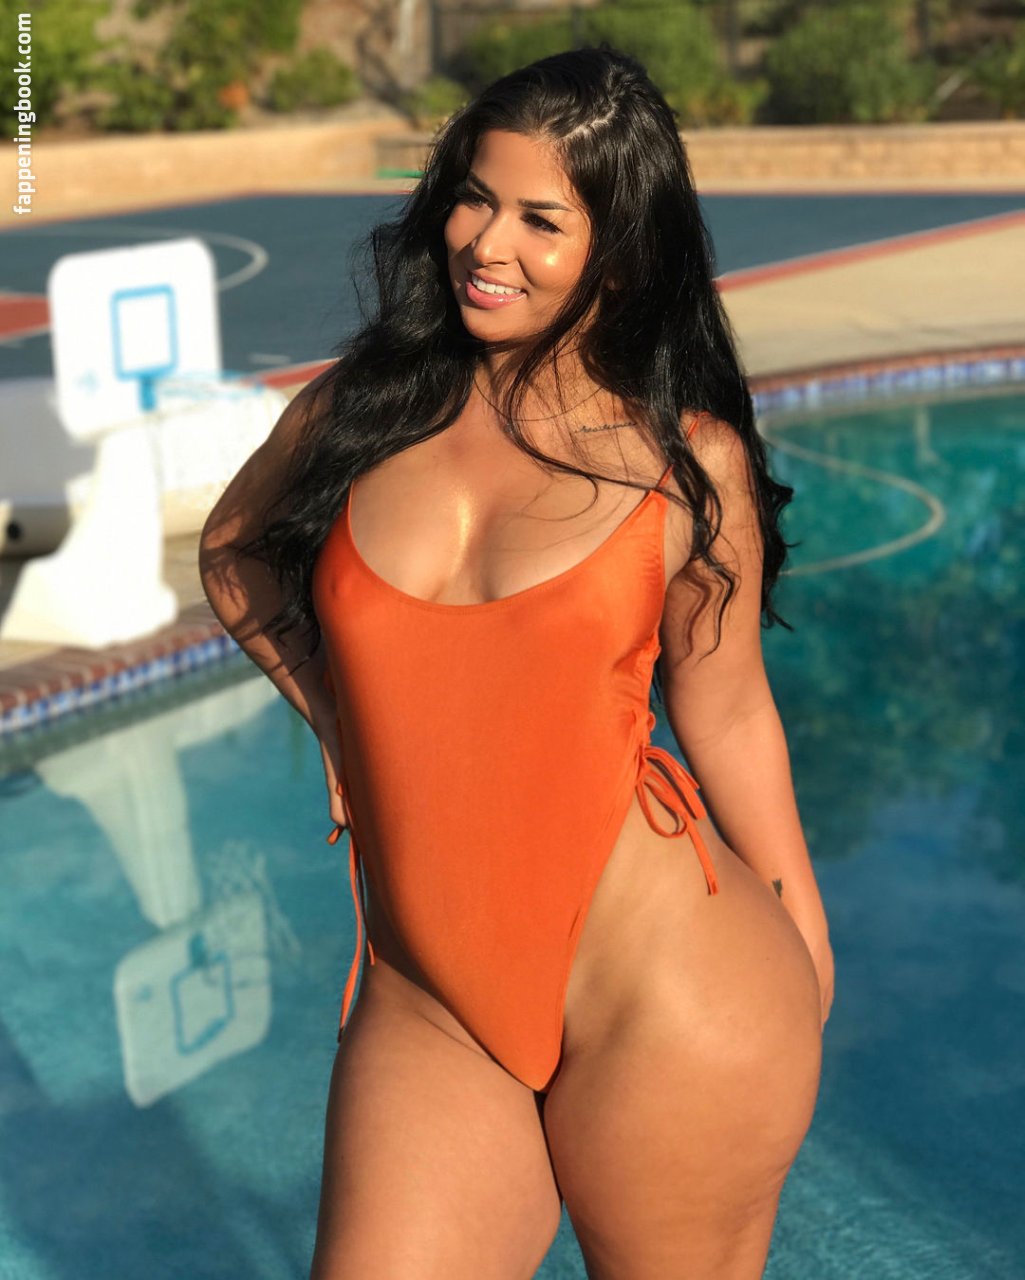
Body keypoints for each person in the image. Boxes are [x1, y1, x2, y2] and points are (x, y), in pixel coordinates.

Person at [199, 43, 833, 1280]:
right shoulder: (365, 407)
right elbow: (236, 554)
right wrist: (339, 724)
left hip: (665, 995)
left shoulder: (682, 463)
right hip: (427, 997)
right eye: (474, 197)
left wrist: (801, 932)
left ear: (619, 251)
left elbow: (727, 712)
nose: (486, 244)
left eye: (541, 219)